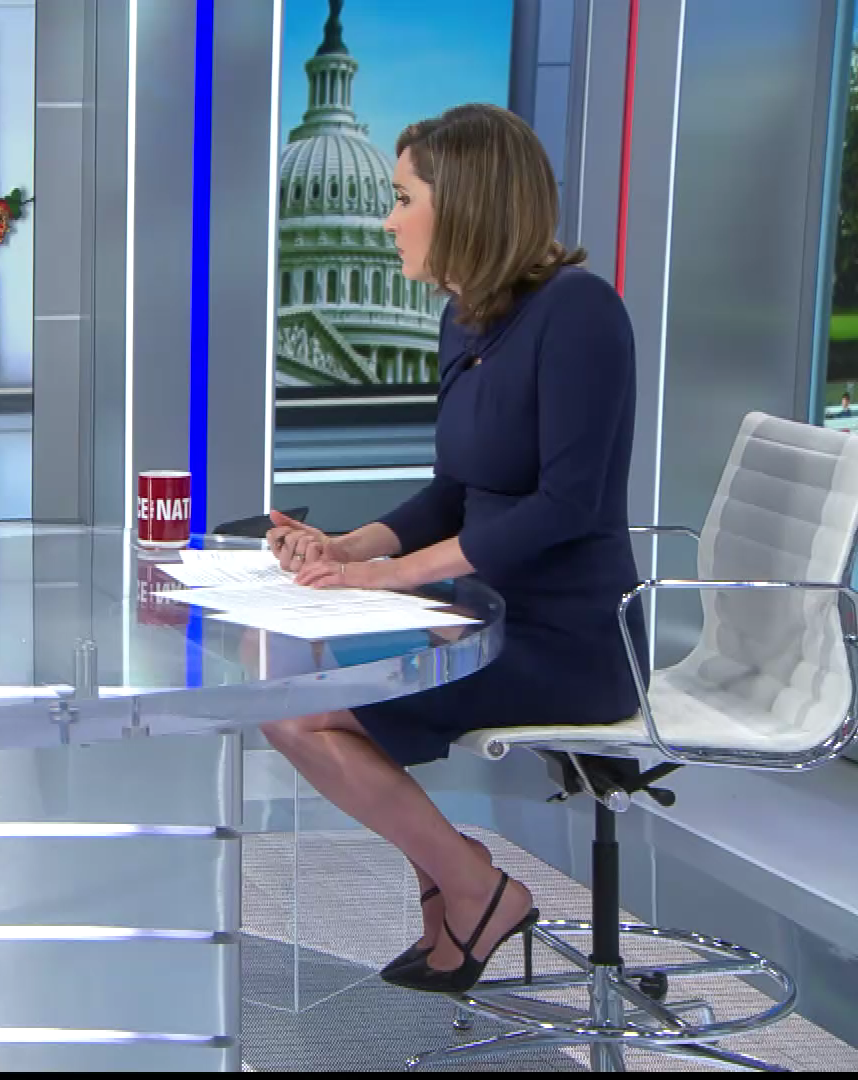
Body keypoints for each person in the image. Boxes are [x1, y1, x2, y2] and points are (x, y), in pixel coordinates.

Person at [261, 104, 644, 995]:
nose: (386, 221)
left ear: (466, 202)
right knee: (291, 689)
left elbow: (565, 505)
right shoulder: (464, 320)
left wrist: (392, 574)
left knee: (302, 713)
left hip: (566, 639)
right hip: (475, 614)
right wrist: (347, 546)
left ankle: (474, 888)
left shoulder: (579, 312)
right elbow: (452, 492)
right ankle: (461, 882)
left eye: (402, 199)